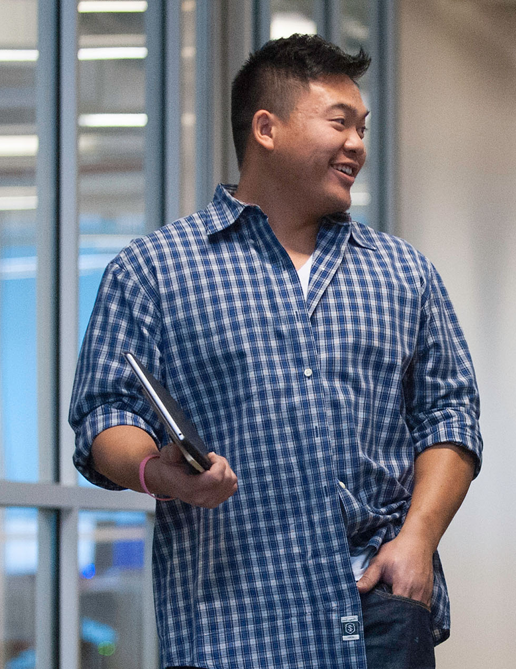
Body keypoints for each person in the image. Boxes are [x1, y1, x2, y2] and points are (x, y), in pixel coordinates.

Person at [68, 34, 482, 669]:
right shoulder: (153, 270)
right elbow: (105, 417)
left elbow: (450, 418)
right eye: (338, 123)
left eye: (362, 129)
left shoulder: (404, 274)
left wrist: (417, 541)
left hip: (379, 607)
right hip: (230, 624)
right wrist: (160, 473)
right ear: (266, 128)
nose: (357, 146)